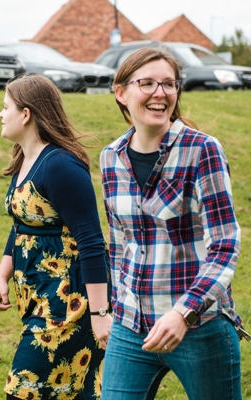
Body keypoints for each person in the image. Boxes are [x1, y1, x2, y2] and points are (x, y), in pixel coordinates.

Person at [100, 47, 243, 399]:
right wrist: (114, 308)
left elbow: (225, 245)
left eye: (168, 84)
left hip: (198, 327)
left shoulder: (202, 150)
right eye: (146, 83)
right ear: (121, 92)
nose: (159, 93)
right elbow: (118, 244)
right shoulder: (110, 157)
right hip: (131, 327)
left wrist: (183, 313)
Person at [0, 74, 113, 400]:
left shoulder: (60, 165)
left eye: (5, 107)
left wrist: (100, 316)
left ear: (26, 114)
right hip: (39, 301)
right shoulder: (24, 159)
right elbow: (21, 224)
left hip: (68, 306)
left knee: (23, 391)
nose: (0, 115)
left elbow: (90, 241)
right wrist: (2, 276)